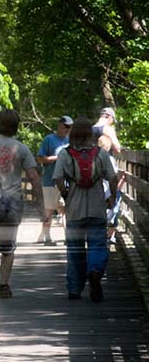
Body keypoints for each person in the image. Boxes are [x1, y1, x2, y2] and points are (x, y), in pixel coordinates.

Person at [0, 109, 46, 299]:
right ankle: (4, 285)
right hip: (13, 202)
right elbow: (33, 176)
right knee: (9, 246)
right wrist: (42, 204)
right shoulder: (21, 148)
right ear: (16, 126)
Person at [53, 116, 118, 303]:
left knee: (75, 250)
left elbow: (57, 178)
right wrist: (112, 197)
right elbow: (112, 178)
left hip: (74, 210)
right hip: (97, 208)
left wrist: (66, 194)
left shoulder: (65, 154)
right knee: (98, 245)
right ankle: (95, 271)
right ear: (90, 134)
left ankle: (74, 289)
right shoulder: (100, 154)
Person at [36, 115, 74, 245]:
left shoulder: (70, 141)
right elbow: (40, 159)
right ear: (60, 125)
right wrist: (57, 158)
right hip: (50, 181)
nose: (68, 130)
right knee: (49, 210)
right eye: (66, 127)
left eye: (70, 127)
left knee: (64, 210)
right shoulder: (49, 140)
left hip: (66, 182)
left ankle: (67, 237)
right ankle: (47, 237)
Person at [97, 135, 126, 244]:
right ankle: (105, 238)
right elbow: (112, 178)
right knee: (112, 212)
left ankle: (102, 237)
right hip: (107, 192)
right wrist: (120, 183)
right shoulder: (109, 159)